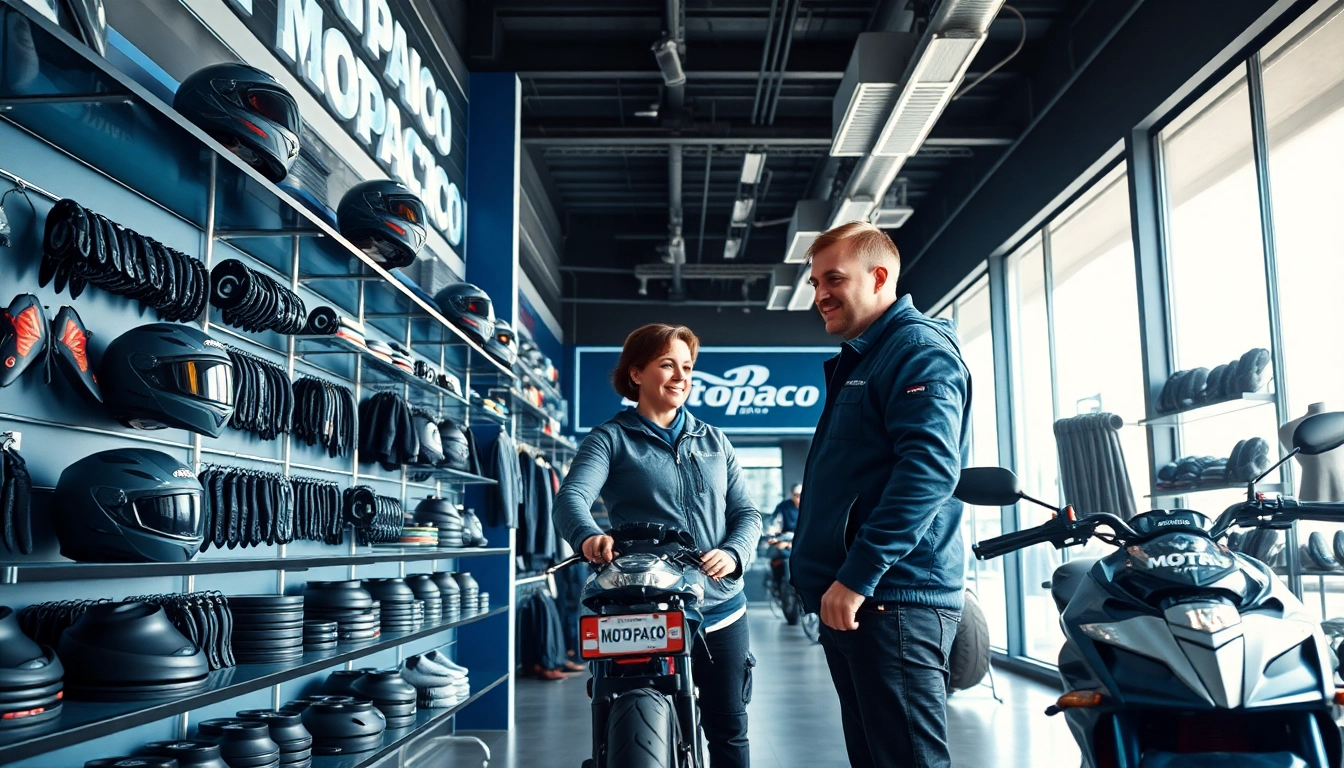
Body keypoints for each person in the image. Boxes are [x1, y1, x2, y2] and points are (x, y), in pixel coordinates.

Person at [790, 222, 971, 768]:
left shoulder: (917, 351)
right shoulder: (868, 357)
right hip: (862, 600)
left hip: (893, 599)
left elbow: (929, 471)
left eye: (834, 279)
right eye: (815, 282)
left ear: (879, 277)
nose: (820, 295)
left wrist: (857, 576)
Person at [554, 323, 762, 768]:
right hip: (644, 607)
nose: (681, 376)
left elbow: (747, 513)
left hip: (721, 609)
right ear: (636, 373)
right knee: (616, 704)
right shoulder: (610, 439)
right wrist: (589, 535)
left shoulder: (715, 441)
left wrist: (733, 553)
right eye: (667, 364)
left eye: (687, 367)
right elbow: (571, 498)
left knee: (729, 729)